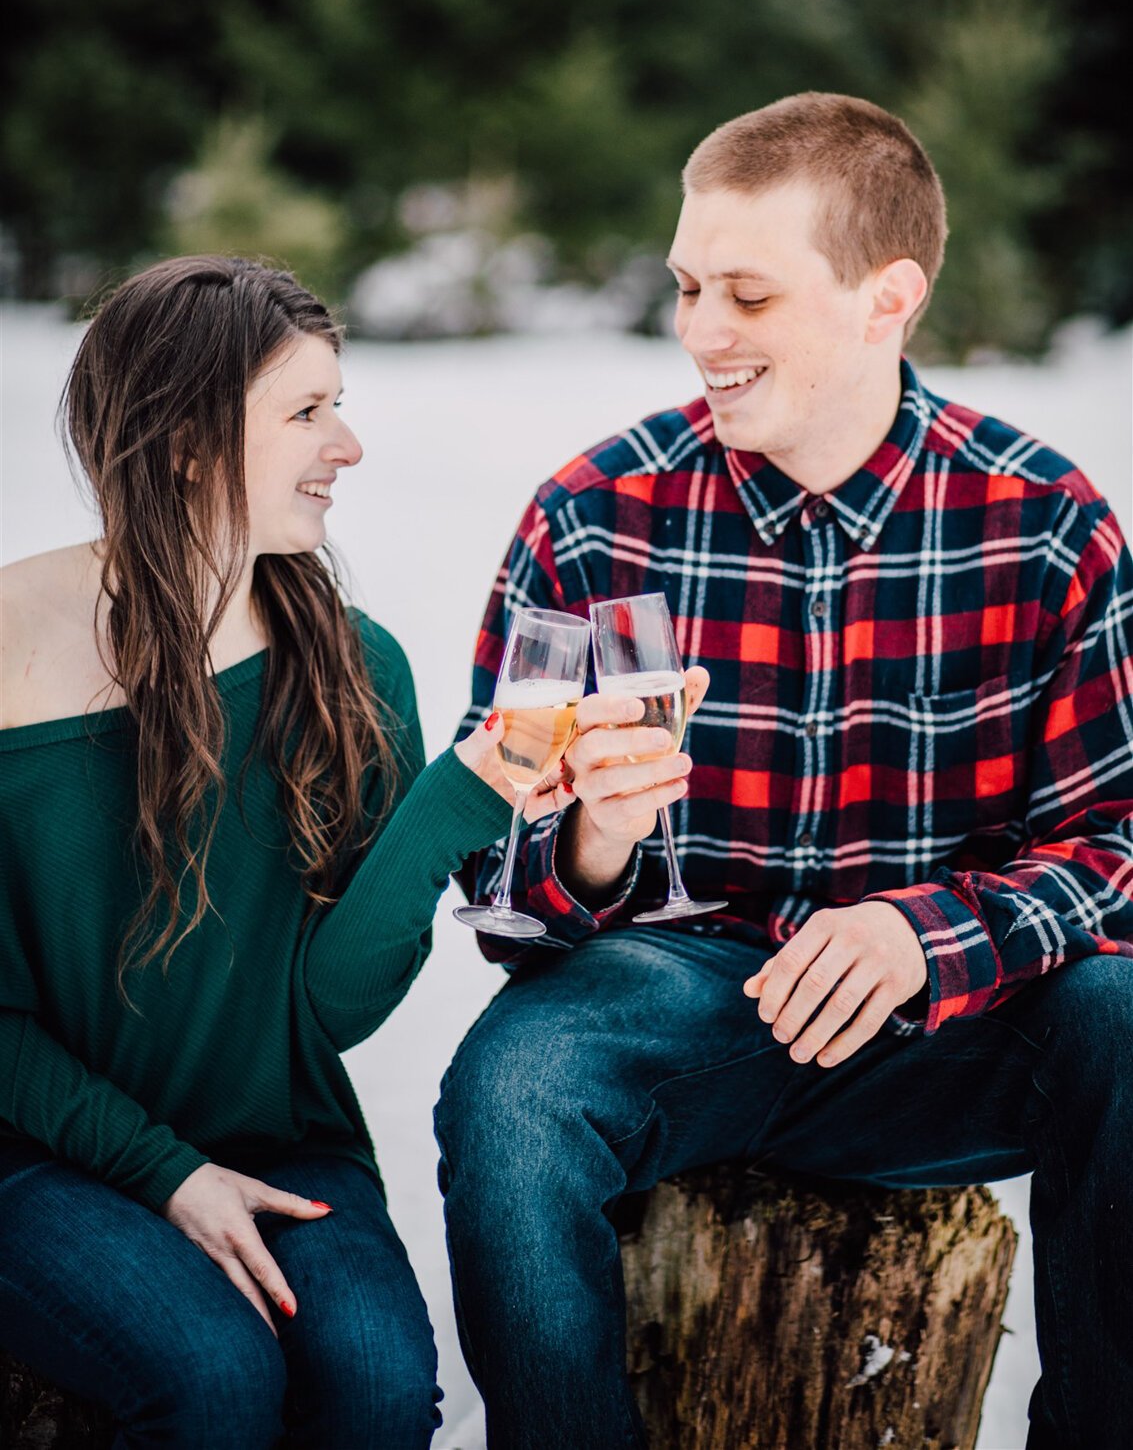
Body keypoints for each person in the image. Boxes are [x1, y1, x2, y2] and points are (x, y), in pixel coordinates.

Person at [436, 93, 1133, 1450]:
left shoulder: (1041, 521)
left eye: (747, 294)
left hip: (958, 1028)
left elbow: (1116, 836)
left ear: (887, 298)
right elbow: (494, 883)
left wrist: (929, 933)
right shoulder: (594, 515)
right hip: (687, 1003)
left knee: (1127, 1014)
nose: (701, 330)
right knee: (509, 1092)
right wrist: (587, 845)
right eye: (687, 286)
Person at [0, 256, 517, 1448]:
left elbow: (317, 1016)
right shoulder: (15, 656)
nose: (348, 445)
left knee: (379, 1388)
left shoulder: (350, 666)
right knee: (215, 1377)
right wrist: (166, 1170)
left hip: (279, 1145)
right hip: (36, 1150)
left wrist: (456, 803)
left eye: (338, 404)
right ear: (184, 437)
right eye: (306, 411)